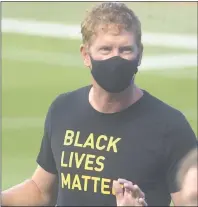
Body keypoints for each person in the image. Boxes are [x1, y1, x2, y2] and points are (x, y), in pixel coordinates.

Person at [2, 2, 197, 206]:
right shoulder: (63, 109)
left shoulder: (170, 126)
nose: (116, 58)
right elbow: (41, 191)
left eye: (125, 50)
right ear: (86, 55)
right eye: (106, 49)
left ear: (140, 55)